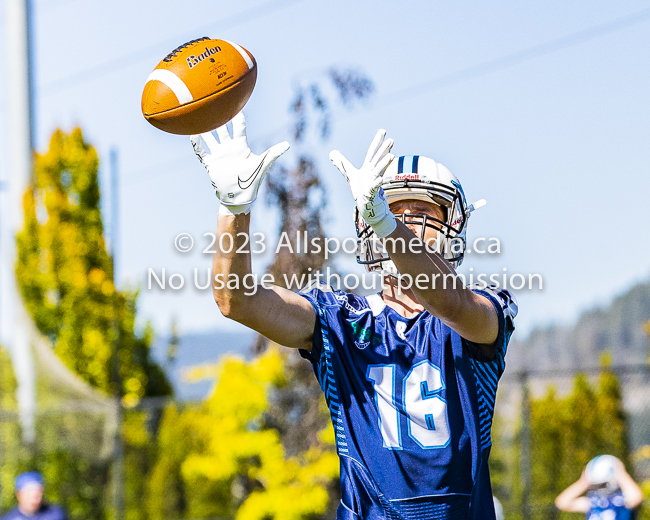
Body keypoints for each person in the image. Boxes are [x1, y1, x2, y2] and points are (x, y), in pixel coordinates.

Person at [190, 113, 517, 519]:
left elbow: (450, 304)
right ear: (367, 225)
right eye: (395, 211)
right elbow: (236, 300)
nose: (409, 225)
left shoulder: (480, 312)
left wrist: (386, 222)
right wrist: (233, 209)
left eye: (424, 211)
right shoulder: (341, 320)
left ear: (454, 223)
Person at [555, 455, 644, 520]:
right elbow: (562, 502)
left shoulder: (622, 501)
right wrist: (583, 482)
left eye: (602, 484)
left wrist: (621, 474)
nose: (598, 488)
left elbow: (637, 497)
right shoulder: (594, 502)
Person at [0, 472, 66, 520]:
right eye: (29, 491)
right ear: (19, 494)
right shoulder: (9, 518)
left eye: (38, 490)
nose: (35, 494)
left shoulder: (56, 514)